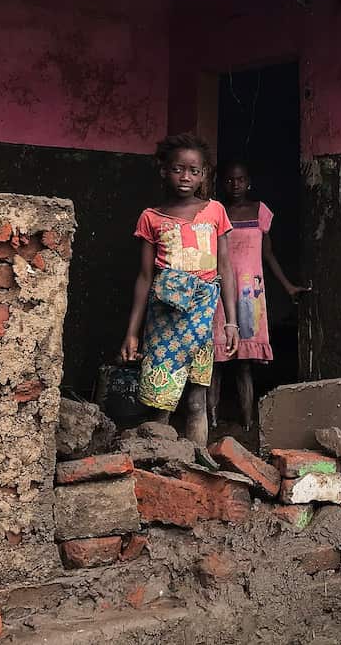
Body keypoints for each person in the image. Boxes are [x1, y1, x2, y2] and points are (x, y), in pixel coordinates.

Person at [120, 133, 239, 448]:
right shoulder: (151, 218)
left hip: (201, 321)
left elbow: (225, 268)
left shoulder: (215, 212)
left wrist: (231, 322)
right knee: (160, 402)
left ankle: (197, 468)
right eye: (178, 169)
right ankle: (158, 463)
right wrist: (132, 332)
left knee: (197, 400)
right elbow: (145, 277)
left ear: (203, 175)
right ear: (164, 170)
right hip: (163, 320)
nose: (186, 177)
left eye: (194, 171)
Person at [209, 161, 308, 430]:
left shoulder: (260, 211)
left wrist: (287, 286)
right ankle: (212, 422)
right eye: (229, 180)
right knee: (215, 360)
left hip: (250, 293)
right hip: (219, 290)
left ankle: (248, 423)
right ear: (222, 184)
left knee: (244, 364)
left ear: (248, 182)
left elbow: (267, 254)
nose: (235, 184)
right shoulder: (216, 212)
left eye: (240, 179)